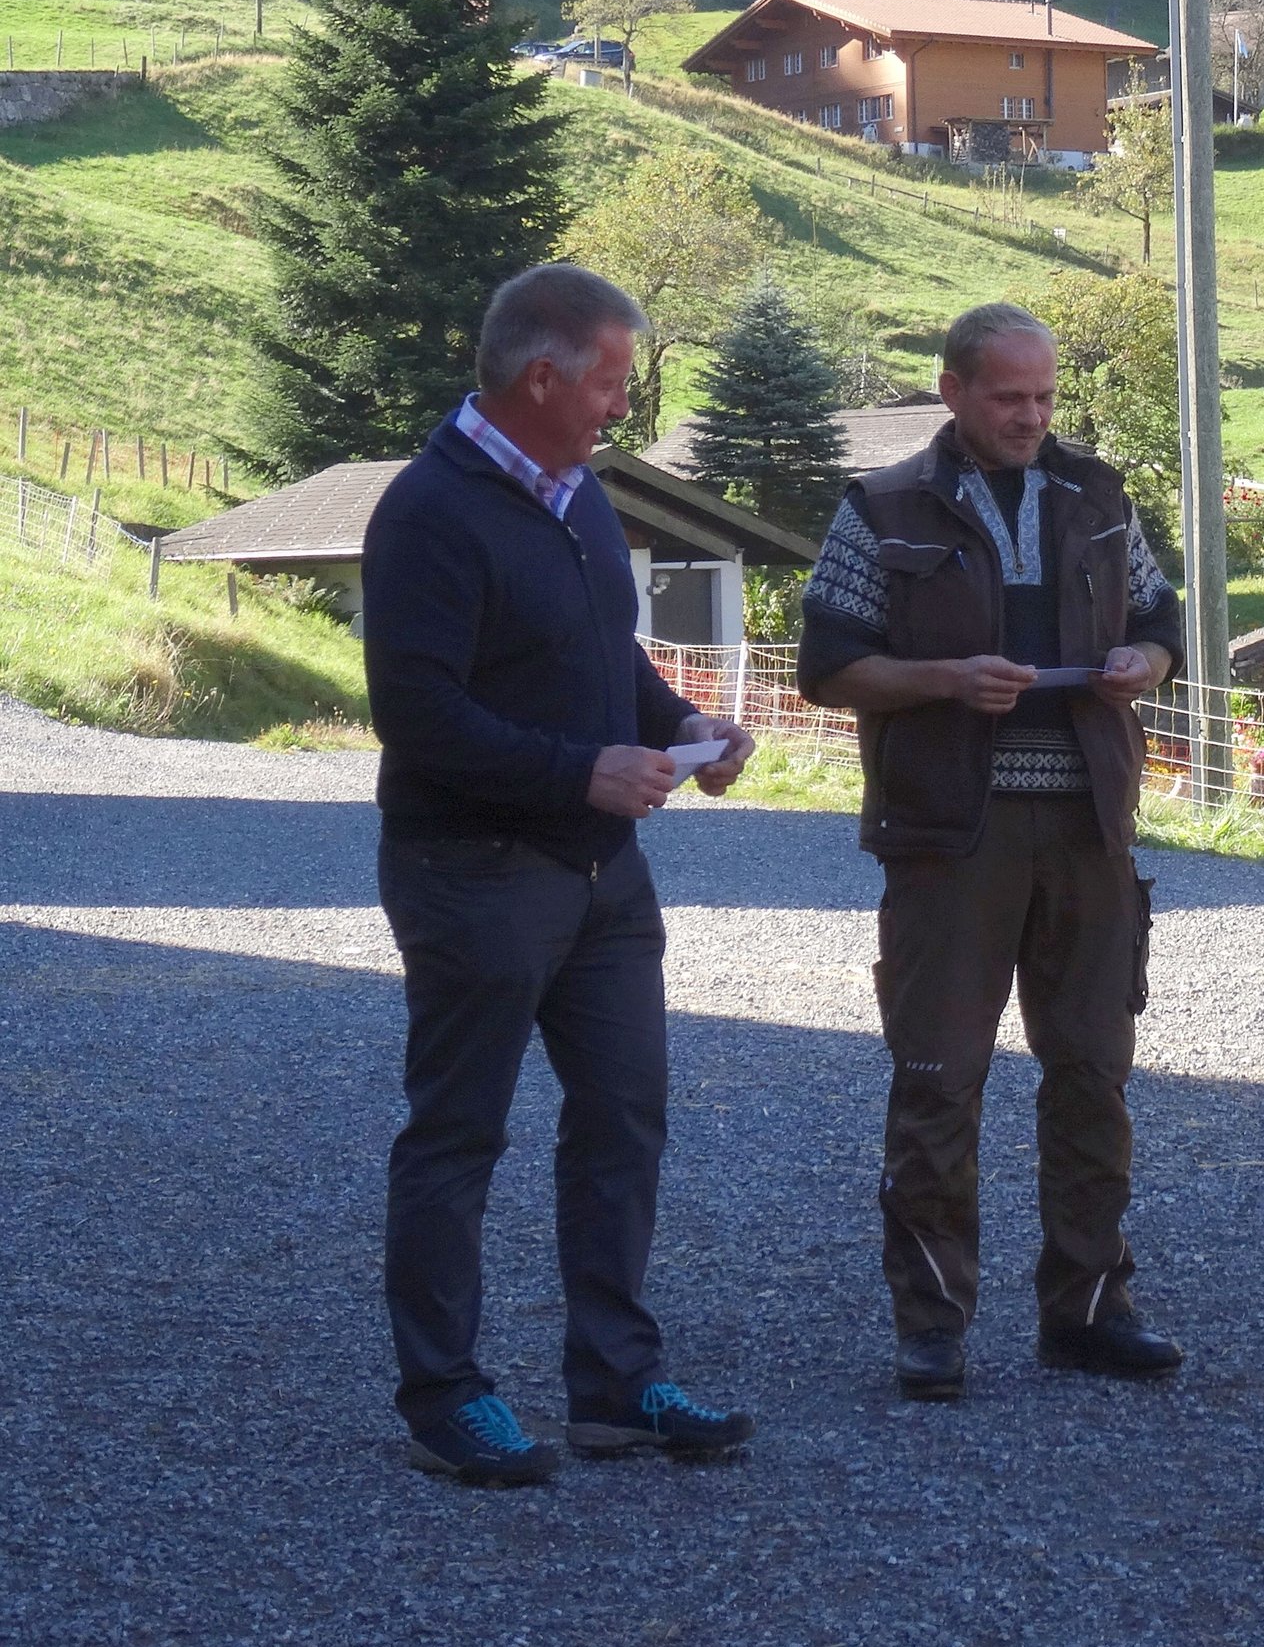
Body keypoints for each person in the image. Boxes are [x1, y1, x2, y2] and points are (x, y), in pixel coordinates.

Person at [364, 263, 758, 1483]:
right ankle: (444, 1396)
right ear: (541, 376)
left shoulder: (578, 497)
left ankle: (615, 1384)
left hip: (603, 882)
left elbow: (606, 659)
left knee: (623, 1120)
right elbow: (416, 714)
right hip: (474, 873)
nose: (617, 410)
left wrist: (684, 723)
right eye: (609, 384)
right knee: (458, 1136)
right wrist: (577, 772)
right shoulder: (427, 513)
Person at [797, 302, 1185, 1401]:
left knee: (1093, 1080)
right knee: (935, 1080)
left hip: (1088, 834)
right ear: (953, 391)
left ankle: (1089, 1308)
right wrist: (945, 681)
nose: (1029, 415)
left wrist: (1142, 666)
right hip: (943, 841)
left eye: (1045, 395)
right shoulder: (879, 507)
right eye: (1008, 396)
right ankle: (932, 1325)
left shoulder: (1099, 497)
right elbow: (828, 664)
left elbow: (1164, 623)